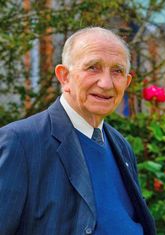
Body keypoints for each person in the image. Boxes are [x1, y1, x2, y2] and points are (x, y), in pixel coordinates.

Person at [0, 27, 156, 235]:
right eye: (93, 67)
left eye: (117, 71)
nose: (106, 83)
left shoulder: (122, 146)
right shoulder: (21, 142)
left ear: (126, 82)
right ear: (64, 77)